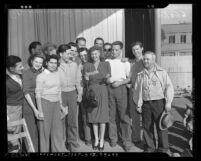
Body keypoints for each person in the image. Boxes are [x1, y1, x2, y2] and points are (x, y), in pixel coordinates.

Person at [133, 51, 174, 155]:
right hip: (146, 104)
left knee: (161, 126)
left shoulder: (162, 72)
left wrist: (168, 102)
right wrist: (138, 104)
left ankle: (163, 149)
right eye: (144, 59)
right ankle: (150, 147)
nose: (145, 61)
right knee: (147, 127)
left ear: (153, 60)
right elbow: (137, 90)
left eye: (148, 59)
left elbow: (169, 87)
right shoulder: (140, 75)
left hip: (159, 103)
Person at [35, 54, 68, 152]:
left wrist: (61, 106)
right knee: (45, 132)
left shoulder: (57, 75)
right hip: (45, 104)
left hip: (56, 104)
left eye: (55, 63)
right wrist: (40, 111)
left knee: (57, 132)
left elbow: (59, 91)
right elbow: (38, 94)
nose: (53, 65)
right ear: (46, 63)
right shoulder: (40, 76)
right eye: (51, 63)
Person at [106, 41, 133, 152]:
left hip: (121, 88)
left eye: (116, 49)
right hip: (109, 89)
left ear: (120, 50)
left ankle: (126, 141)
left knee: (124, 116)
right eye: (112, 49)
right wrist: (108, 79)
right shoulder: (107, 62)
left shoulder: (125, 63)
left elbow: (129, 78)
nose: (114, 52)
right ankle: (113, 139)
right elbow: (106, 75)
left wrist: (120, 83)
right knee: (111, 116)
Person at [83, 46, 110, 152]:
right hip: (92, 92)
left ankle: (102, 140)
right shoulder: (87, 65)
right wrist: (87, 76)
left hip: (103, 90)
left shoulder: (106, 64)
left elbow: (107, 77)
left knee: (102, 117)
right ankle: (96, 140)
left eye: (96, 53)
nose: (94, 56)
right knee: (93, 117)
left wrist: (104, 77)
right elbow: (86, 81)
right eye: (92, 54)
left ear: (100, 54)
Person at [57, 44, 83, 152]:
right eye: (67, 53)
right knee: (61, 119)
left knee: (72, 120)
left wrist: (80, 94)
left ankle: (72, 141)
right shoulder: (56, 65)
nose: (69, 55)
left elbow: (78, 80)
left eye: (70, 53)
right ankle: (61, 143)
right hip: (61, 94)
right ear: (61, 54)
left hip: (72, 93)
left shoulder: (74, 65)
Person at [22, 53, 45, 152]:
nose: (38, 64)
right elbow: (26, 92)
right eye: (36, 61)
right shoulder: (26, 73)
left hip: (40, 101)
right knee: (31, 130)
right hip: (29, 103)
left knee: (41, 129)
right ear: (31, 61)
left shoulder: (42, 72)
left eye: (40, 62)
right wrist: (35, 109)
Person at [128, 41, 145, 148]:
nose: (136, 51)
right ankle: (136, 138)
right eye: (134, 50)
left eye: (137, 49)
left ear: (142, 49)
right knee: (134, 117)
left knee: (146, 118)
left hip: (144, 92)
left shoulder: (146, 60)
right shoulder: (132, 63)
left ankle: (149, 141)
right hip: (133, 92)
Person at [6, 55, 24, 152]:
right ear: (11, 68)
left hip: (19, 109)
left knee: (17, 135)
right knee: (12, 139)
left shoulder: (20, 75)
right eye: (20, 67)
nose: (23, 68)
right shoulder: (7, 81)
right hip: (11, 111)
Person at [78, 47, 92, 146]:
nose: (83, 57)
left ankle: (97, 137)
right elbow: (78, 81)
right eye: (81, 55)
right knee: (85, 116)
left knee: (94, 115)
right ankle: (88, 138)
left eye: (85, 55)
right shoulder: (79, 66)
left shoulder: (93, 64)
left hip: (94, 92)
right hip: (84, 92)